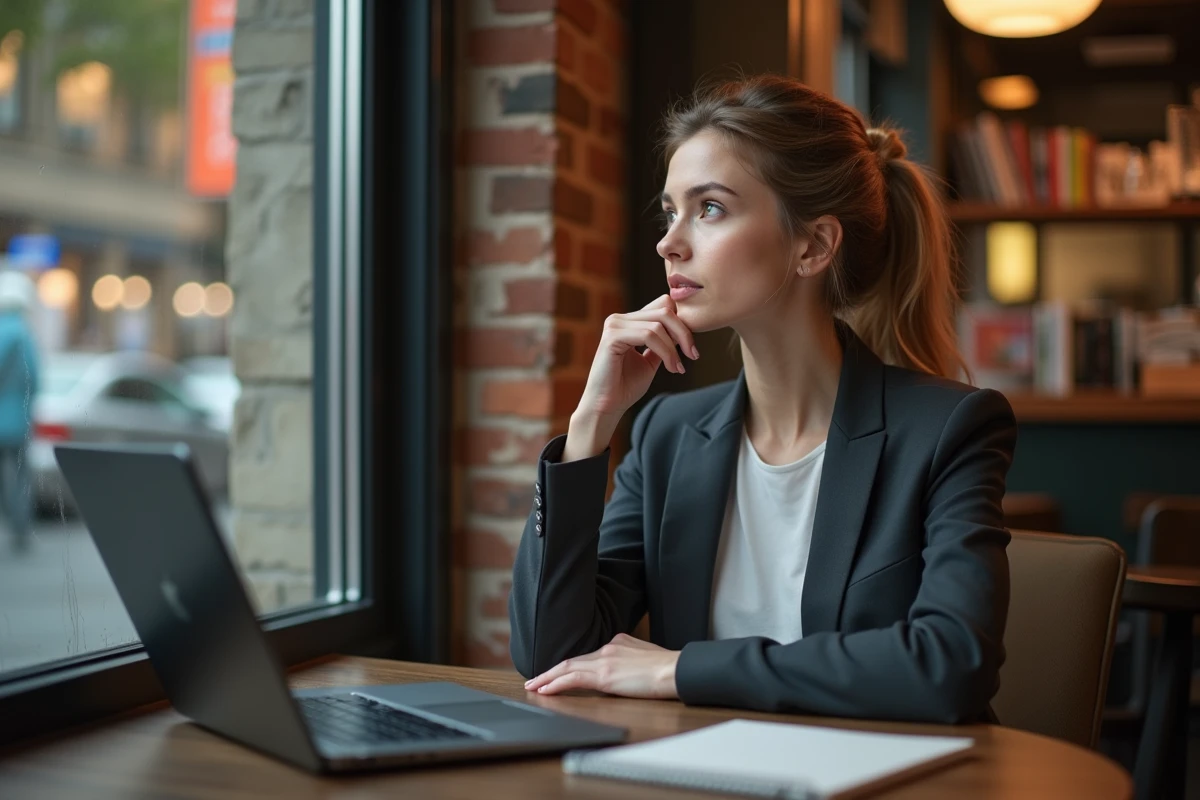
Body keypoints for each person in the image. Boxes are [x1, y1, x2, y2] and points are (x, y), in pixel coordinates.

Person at [508, 75, 1017, 725]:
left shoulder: (948, 429)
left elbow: (950, 667)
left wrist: (680, 667)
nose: (670, 242)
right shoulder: (667, 432)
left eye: (710, 208)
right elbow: (551, 654)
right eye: (670, 211)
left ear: (813, 245)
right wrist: (592, 424)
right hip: (703, 773)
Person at [0, 270, 39, 553]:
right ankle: (21, 528)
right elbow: (35, 378)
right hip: (20, 420)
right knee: (21, 475)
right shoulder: (24, 335)